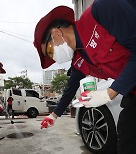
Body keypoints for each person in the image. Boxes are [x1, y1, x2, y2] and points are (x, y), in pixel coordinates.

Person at [33, 0, 136, 154]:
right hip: (133, 91)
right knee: (127, 135)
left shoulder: (103, 9)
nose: (54, 58)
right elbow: (69, 90)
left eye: (49, 51)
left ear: (56, 33)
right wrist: (54, 115)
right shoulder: (79, 61)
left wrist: (109, 93)